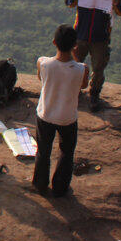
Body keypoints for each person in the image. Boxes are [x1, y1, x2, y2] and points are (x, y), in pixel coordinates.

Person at [64, 0, 121, 111]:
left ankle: (94, 94)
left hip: (101, 37)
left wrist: (117, 3)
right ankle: (75, 91)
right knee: (75, 65)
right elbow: (67, 0)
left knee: (98, 68)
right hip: (80, 34)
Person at [32, 24, 89, 198]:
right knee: (66, 152)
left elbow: (40, 78)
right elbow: (84, 85)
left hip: (46, 114)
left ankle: (40, 184)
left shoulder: (43, 63)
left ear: (54, 42)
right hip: (68, 117)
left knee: (43, 150)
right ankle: (60, 187)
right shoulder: (82, 69)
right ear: (75, 46)